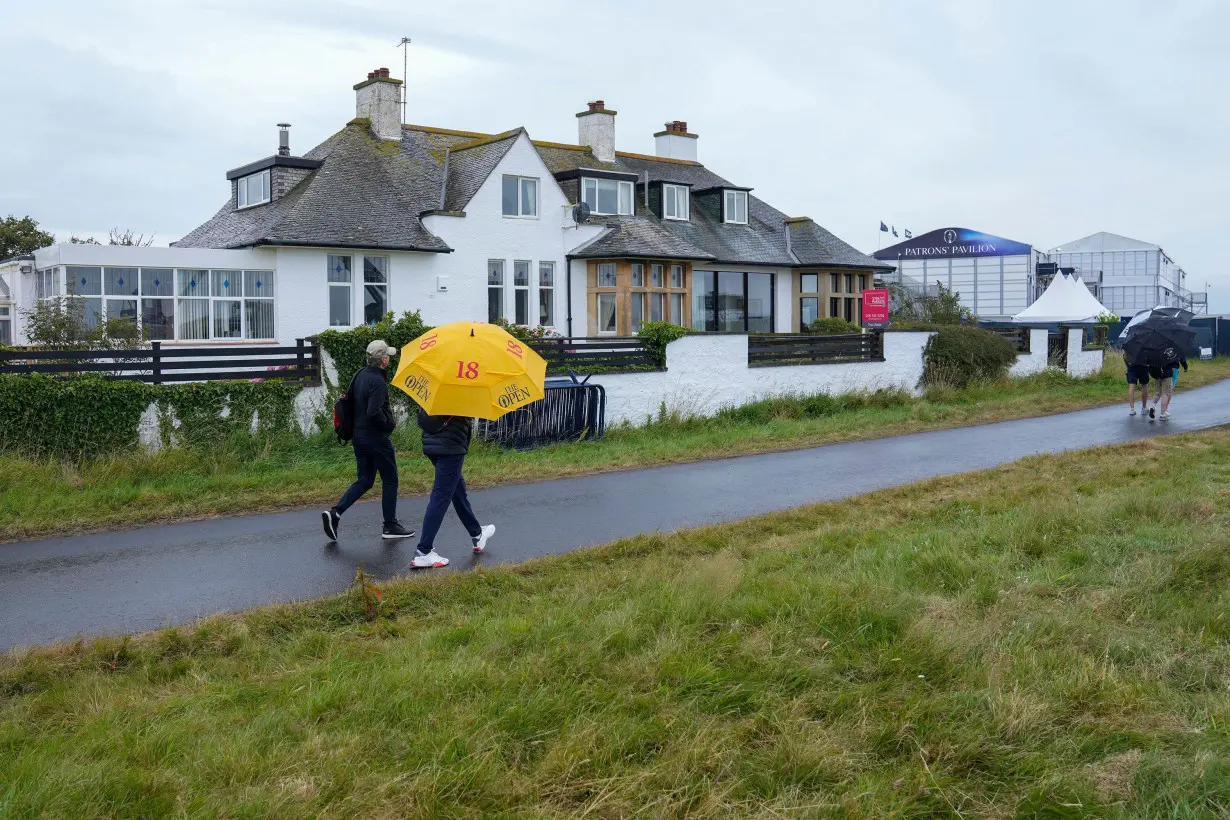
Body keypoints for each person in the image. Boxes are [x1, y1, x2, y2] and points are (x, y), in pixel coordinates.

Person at [321, 340, 416, 541]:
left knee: (365, 479)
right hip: (376, 439)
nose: (389, 358)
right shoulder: (378, 382)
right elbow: (373, 412)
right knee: (390, 479)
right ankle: (390, 526)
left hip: (359, 437)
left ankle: (335, 513)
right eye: (387, 355)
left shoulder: (359, 375)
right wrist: (389, 424)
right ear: (382, 359)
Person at [410, 408, 495, 569]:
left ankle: (476, 533)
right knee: (441, 496)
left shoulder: (440, 388)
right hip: (451, 446)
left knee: (457, 489)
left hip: (432, 443)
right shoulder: (460, 391)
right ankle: (423, 552)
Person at [1149, 348, 1188, 421]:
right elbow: (1181, 356)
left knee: (1157, 392)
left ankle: (1153, 406)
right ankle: (1163, 413)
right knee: (1167, 393)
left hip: (1156, 372)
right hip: (1168, 371)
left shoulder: (1153, 346)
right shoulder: (1171, 345)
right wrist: (1185, 366)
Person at [1124, 350, 1150, 417]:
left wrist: (1128, 366)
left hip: (1132, 365)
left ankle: (1132, 409)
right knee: (1144, 385)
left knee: (1131, 385)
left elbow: (1125, 356)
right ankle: (1144, 408)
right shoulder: (1146, 342)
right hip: (1143, 365)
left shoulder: (1130, 342)